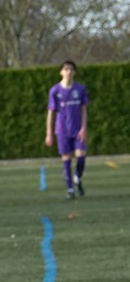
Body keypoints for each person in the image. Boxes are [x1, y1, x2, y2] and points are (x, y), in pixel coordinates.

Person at [45, 60, 89, 199]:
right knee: (66, 158)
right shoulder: (55, 90)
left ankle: (77, 177)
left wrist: (83, 128)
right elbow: (51, 112)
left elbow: (83, 110)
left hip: (77, 130)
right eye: (66, 69)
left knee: (81, 156)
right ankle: (69, 188)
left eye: (71, 69)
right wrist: (49, 133)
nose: (69, 72)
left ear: (74, 72)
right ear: (61, 72)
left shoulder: (80, 89)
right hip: (62, 130)